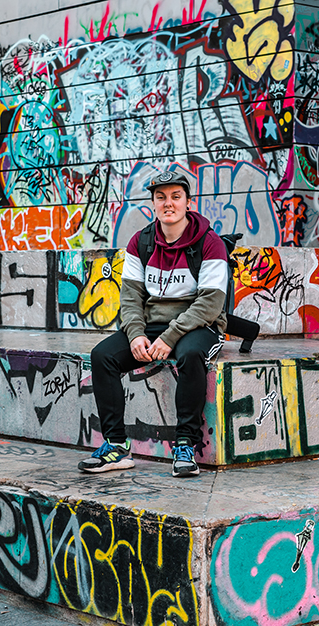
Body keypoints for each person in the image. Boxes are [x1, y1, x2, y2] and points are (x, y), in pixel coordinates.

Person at [79, 170, 228, 477]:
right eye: (161, 197)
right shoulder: (141, 242)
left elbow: (211, 303)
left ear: (189, 202)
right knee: (102, 356)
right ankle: (116, 447)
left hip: (199, 326)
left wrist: (171, 337)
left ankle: (186, 444)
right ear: (153, 203)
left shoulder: (210, 243)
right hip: (151, 326)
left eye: (176, 197)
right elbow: (131, 297)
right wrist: (135, 335)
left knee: (190, 355)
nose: (168, 203)